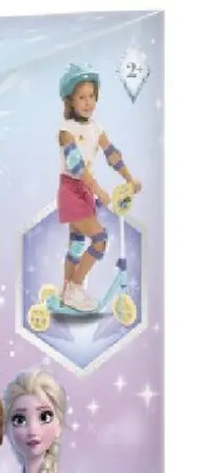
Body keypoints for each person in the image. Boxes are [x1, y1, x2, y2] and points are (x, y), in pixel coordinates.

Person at [56, 63, 142, 312]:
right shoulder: (66, 131)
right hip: (72, 190)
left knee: (76, 244)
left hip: (84, 192)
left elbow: (111, 154)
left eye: (92, 96)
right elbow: (77, 166)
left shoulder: (96, 128)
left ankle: (67, 291)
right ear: (70, 100)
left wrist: (129, 178)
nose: (88, 102)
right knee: (99, 239)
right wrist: (99, 190)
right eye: (82, 97)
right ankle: (75, 288)